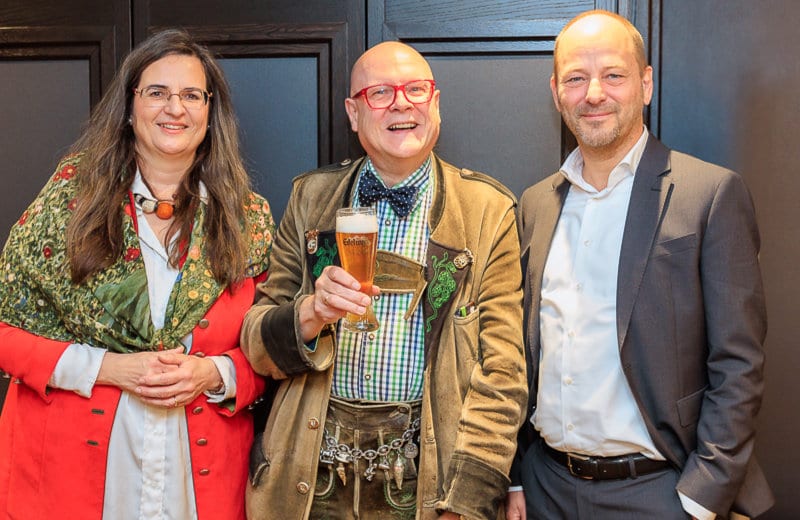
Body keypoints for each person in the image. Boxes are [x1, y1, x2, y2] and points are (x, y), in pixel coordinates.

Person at [240, 41, 527, 519]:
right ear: (353, 114)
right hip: (311, 477)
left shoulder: (487, 211)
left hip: (425, 481)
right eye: (380, 93)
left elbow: (503, 376)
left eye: (416, 89)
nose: (401, 104)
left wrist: (466, 502)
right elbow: (256, 343)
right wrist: (311, 313)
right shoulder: (311, 198)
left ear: (435, 104)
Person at [507, 9, 773, 520]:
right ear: (556, 92)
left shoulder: (710, 195)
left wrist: (701, 498)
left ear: (645, 84)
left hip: (658, 492)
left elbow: (738, 362)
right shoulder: (535, 204)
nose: (594, 93)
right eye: (576, 79)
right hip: (545, 489)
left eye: (613, 75)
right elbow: (519, 350)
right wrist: (517, 475)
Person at [0, 29, 274, 519]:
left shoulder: (248, 219)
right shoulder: (71, 203)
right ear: (129, 107)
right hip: (73, 476)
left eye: (192, 95)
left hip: (199, 479)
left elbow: (270, 348)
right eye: (157, 92)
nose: (175, 108)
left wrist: (214, 374)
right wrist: (109, 367)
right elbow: (7, 331)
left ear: (210, 112)